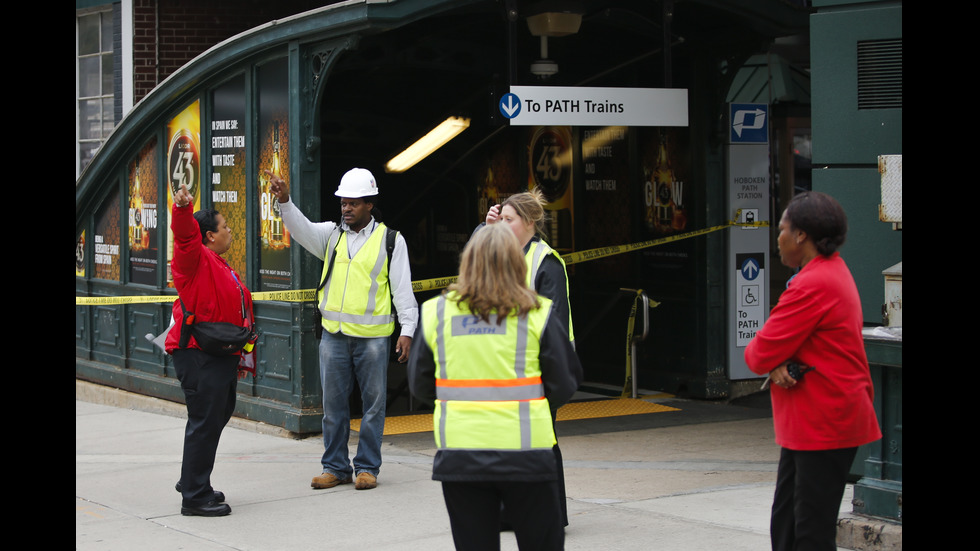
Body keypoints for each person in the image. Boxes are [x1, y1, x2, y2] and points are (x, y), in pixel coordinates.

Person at [408, 223, 582, 551]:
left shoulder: (436, 313)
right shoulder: (538, 313)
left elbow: (419, 385)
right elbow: (564, 383)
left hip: (461, 457)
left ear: (468, 261)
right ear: (517, 262)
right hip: (528, 458)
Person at [745, 191, 881, 551]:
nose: (778, 238)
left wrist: (772, 359)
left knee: (808, 533)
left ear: (801, 235)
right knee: (788, 526)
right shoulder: (829, 271)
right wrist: (776, 359)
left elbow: (757, 352)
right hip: (814, 423)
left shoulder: (810, 284)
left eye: (783, 229)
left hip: (824, 421)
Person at [266, 167, 418, 491]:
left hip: (373, 339)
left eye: (352, 203)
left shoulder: (391, 241)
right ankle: (335, 466)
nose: (345, 209)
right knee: (333, 407)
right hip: (333, 336)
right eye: (343, 203)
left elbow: (403, 290)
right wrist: (284, 201)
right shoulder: (331, 236)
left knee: (373, 406)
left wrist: (407, 330)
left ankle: (367, 467)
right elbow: (301, 229)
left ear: (369, 204)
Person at [477, 189, 575, 528]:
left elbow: (553, 322)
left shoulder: (546, 262)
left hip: (537, 367)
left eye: (508, 219)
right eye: (499, 218)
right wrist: (483, 229)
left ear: (530, 223)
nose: (501, 225)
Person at [166, 184, 255, 517]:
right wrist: (182, 208)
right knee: (205, 419)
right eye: (225, 227)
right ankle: (194, 496)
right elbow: (185, 235)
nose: (230, 231)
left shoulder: (217, 262)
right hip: (198, 353)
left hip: (220, 355)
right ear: (208, 236)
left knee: (217, 414)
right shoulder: (194, 256)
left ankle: (193, 478)